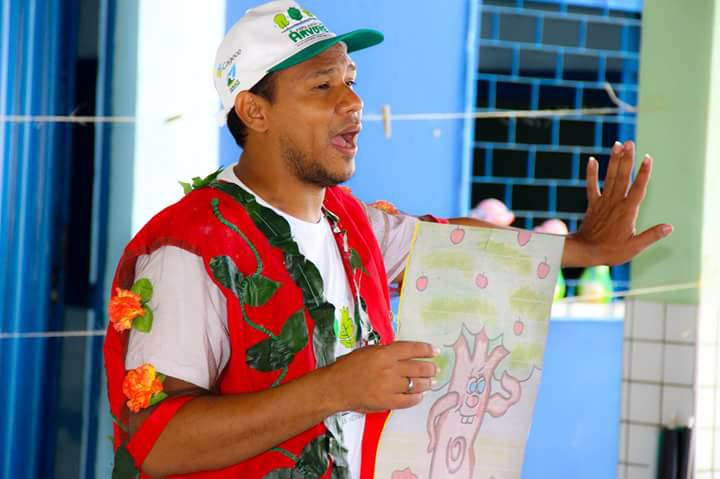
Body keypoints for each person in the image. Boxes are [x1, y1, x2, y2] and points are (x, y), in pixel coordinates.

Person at [103, 1, 672, 478]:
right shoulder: (189, 247)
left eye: (350, 82)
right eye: (322, 85)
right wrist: (336, 388)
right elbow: (158, 443)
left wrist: (585, 250)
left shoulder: (348, 222)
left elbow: (458, 245)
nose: (353, 103)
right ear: (254, 111)